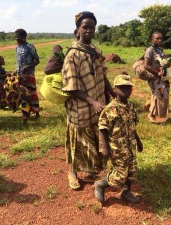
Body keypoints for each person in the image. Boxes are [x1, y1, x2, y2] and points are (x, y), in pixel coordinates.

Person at [62, 11, 115, 190]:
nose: (89, 30)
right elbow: (71, 86)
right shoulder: (72, 55)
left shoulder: (95, 51)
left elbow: (102, 74)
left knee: (95, 138)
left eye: (92, 27)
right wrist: (92, 101)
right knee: (78, 141)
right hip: (81, 107)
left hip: (98, 104)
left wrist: (111, 92)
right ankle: (72, 171)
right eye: (85, 27)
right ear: (77, 29)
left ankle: (90, 170)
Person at [94, 74, 143, 204]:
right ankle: (100, 184)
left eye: (128, 88)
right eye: (122, 87)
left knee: (131, 171)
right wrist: (104, 147)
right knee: (120, 174)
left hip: (130, 146)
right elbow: (102, 129)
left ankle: (126, 192)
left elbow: (132, 126)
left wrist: (138, 141)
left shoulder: (131, 107)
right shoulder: (110, 109)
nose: (126, 90)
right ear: (115, 89)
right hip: (117, 147)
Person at [144, 31, 171, 123]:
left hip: (161, 76)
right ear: (152, 39)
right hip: (154, 76)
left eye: (161, 38)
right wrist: (157, 73)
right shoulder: (150, 50)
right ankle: (151, 114)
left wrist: (168, 64)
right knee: (159, 94)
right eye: (157, 38)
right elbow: (146, 65)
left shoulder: (160, 50)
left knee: (160, 94)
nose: (159, 40)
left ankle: (156, 112)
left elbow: (162, 63)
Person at [14, 28, 40, 124]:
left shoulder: (30, 47)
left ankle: (36, 112)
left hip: (29, 75)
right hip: (20, 75)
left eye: (18, 37)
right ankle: (25, 114)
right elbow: (18, 62)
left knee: (32, 94)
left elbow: (37, 61)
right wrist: (15, 71)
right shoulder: (17, 47)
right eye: (15, 37)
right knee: (23, 95)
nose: (16, 39)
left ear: (24, 37)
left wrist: (28, 66)